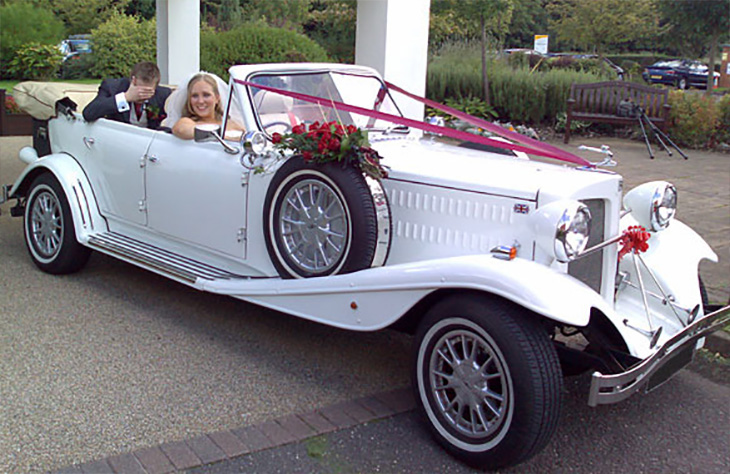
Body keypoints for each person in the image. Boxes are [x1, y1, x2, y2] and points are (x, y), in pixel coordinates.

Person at [83, 62, 171, 129]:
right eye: (140, 90)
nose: (142, 96)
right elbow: (88, 113)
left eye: (148, 91)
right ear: (134, 81)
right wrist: (126, 97)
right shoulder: (112, 87)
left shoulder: (163, 94)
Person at [166, 72, 244, 140]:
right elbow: (181, 130)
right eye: (195, 96)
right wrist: (224, 136)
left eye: (206, 95)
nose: (200, 101)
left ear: (217, 98)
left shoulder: (231, 124)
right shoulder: (185, 122)